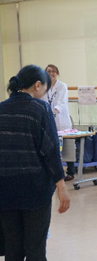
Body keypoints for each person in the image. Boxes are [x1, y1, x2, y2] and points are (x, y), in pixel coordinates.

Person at [0, 65, 70, 260]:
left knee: (12, 248)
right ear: (38, 85)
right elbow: (50, 151)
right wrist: (61, 186)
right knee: (35, 248)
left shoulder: (1, 108)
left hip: (4, 190)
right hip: (35, 190)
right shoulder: (40, 108)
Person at [42, 64, 75, 181]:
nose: (51, 73)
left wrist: (54, 112)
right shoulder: (43, 86)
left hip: (61, 119)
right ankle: (54, 172)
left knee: (68, 145)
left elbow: (61, 102)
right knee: (52, 147)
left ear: (57, 73)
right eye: (49, 71)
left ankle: (71, 171)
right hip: (48, 119)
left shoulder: (62, 86)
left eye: (54, 71)